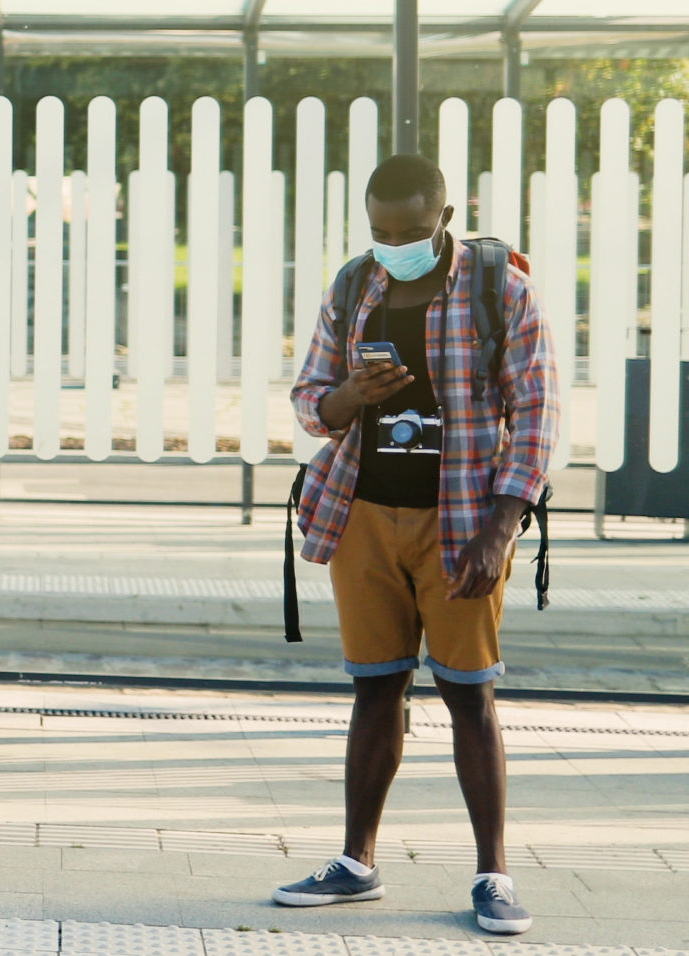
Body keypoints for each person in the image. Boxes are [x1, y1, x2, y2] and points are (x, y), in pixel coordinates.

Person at [277, 153, 558, 935]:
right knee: (374, 688)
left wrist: (501, 529)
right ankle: (356, 864)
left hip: (462, 520)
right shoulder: (354, 285)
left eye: (408, 230)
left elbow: (535, 413)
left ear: (445, 218)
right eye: (378, 230)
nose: (392, 243)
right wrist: (347, 396)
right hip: (363, 514)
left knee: (470, 695)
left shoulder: (500, 288)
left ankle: (493, 876)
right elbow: (310, 400)